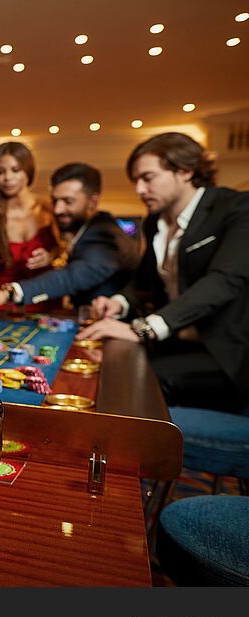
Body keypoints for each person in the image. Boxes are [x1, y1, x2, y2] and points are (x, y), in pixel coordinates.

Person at [79, 132, 249, 412]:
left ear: (185, 170)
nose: (139, 189)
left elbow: (223, 282)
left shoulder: (236, 208)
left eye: (148, 178)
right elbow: (144, 279)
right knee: (109, 367)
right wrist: (119, 302)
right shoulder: (154, 221)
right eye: (136, 181)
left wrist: (144, 329)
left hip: (224, 353)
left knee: (136, 380)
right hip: (174, 341)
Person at [0, 163, 139, 322]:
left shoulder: (106, 236)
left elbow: (70, 277)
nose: (57, 209)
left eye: (68, 201)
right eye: (55, 201)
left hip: (117, 329)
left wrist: (8, 293)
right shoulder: (87, 230)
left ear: (93, 201)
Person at [0, 141, 60, 319]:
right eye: (0, 172)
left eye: (15, 170)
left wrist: (51, 256)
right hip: (6, 306)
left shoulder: (47, 209)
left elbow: (65, 248)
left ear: (27, 171)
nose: (7, 178)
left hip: (47, 299)